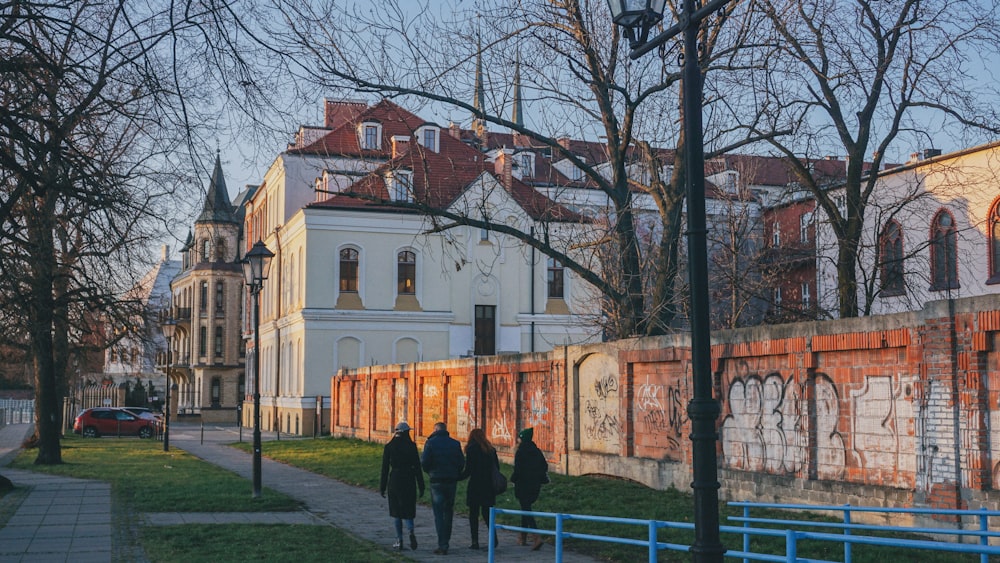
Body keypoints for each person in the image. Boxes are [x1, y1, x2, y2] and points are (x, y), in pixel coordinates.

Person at [420, 421, 465, 555]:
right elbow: (461, 462)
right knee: (448, 512)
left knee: (438, 513)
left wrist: (430, 472)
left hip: (436, 481)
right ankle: (446, 541)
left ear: (435, 430)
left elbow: (424, 462)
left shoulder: (431, 443)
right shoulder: (455, 443)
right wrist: (455, 473)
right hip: (451, 481)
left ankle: (442, 544)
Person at [380, 421, 424, 551]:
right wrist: (421, 485)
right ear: (406, 432)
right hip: (409, 480)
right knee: (409, 510)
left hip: (395, 480)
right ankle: (411, 531)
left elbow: (384, 469)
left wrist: (382, 487)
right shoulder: (411, 446)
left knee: (396, 512)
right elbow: (417, 467)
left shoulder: (389, 446)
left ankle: (399, 539)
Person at [459, 428, 500, 550]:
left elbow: (469, 470)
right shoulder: (490, 450)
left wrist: (457, 477)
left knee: (473, 514)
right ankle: (494, 540)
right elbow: (497, 467)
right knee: (487, 515)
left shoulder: (471, 449)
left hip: (475, 485)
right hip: (488, 486)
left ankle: (475, 541)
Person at [510, 427, 548, 551]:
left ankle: (536, 537)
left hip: (523, 486)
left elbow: (518, 470)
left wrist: (512, 479)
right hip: (535, 486)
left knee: (526, 510)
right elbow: (545, 466)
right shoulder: (537, 451)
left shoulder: (520, 452)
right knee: (525, 508)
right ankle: (523, 537)